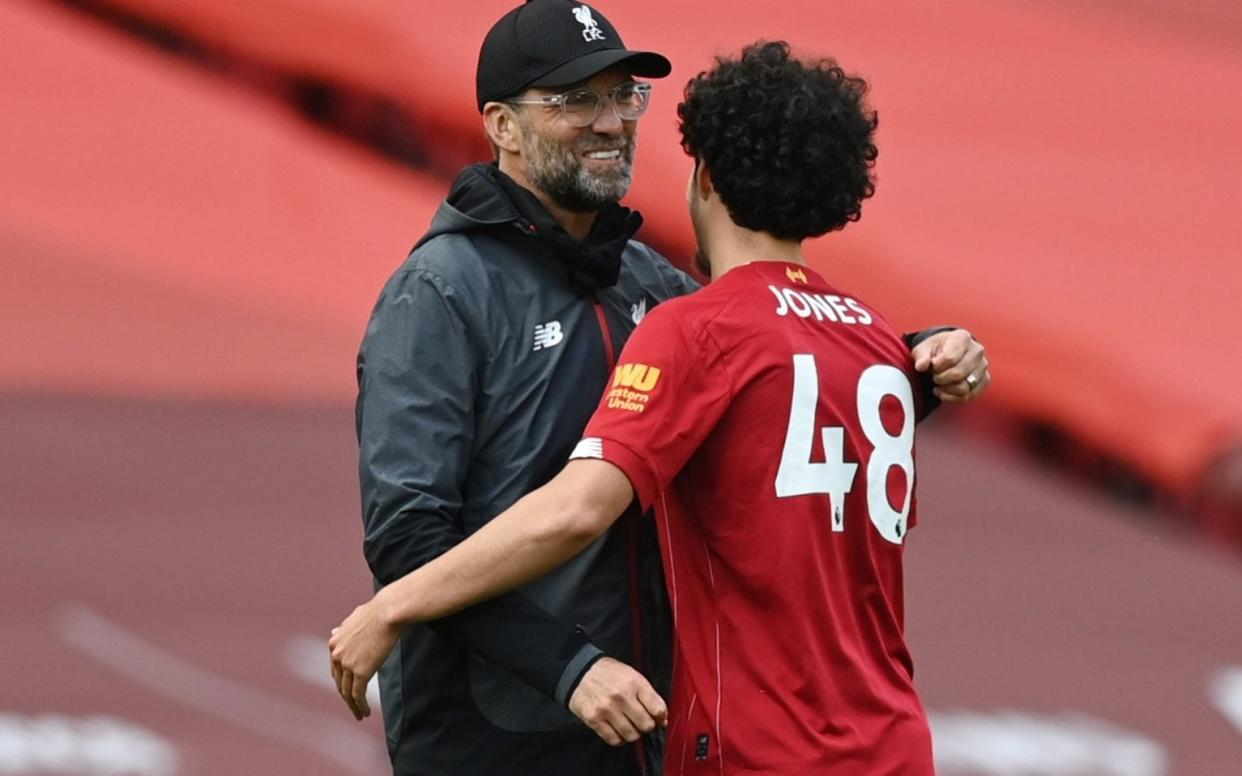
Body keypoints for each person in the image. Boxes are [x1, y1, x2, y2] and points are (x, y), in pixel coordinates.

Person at [350, 1, 989, 773]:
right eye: (575, 100)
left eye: (625, 96)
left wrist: (921, 355)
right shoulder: (439, 292)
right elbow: (409, 541)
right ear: (501, 125)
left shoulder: (663, 291)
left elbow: (772, 374)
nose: (611, 121)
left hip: (644, 728)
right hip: (498, 737)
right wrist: (568, 667)